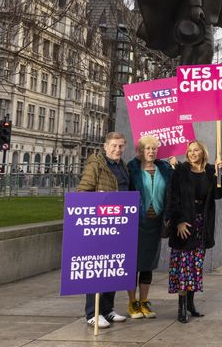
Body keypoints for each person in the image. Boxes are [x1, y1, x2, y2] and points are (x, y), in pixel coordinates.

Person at [165, 140, 222, 323]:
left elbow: (218, 195)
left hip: (202, 225)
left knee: (195, 267)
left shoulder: (210, 170)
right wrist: (179, 221)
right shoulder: (180, 171)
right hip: (185, 224)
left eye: (196, 150)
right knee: (184, 268)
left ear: (202, 152)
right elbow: (172, 198)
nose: (192, 153)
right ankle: (181, 307)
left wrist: (219, 175)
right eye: (189, 150)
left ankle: (191, 304)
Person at [77, 132, 130, 329]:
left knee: (112, 267)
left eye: (121, 146)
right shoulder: (96, 165)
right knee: (97, 268)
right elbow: (82, 193)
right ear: (105, 147)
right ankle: (92, 312)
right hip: (100, 225)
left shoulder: (122, 165)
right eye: (114, 146)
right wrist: (98, 198)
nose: (117, 150)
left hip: (119, 224)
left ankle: (107, 309)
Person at [126, 135, 174, 320]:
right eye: (148, 148)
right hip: (136, 223)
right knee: (133, 264)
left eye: (154, 148)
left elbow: (173, 189)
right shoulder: (132, 168)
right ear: (140, 151)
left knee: (148, 264)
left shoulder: (164, 168)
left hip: (156, 225)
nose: (151, 151)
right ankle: (132, 302)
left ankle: (144, 301)